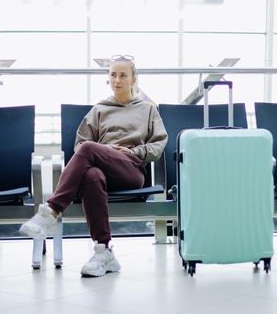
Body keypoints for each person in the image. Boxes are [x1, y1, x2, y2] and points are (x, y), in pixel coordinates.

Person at [20, 55, 168, 277]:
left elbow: (158, 144)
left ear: (134, 79)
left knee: (89, 149)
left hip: (131, 169)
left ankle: (52, 210)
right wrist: (103, 152)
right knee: (92, 175)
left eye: (123, 75)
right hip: (103, 168)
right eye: (113, 75)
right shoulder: (99, 109)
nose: (117, 80)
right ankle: (103, 251)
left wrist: (134, 151)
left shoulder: (148, 110)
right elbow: (80, 144)